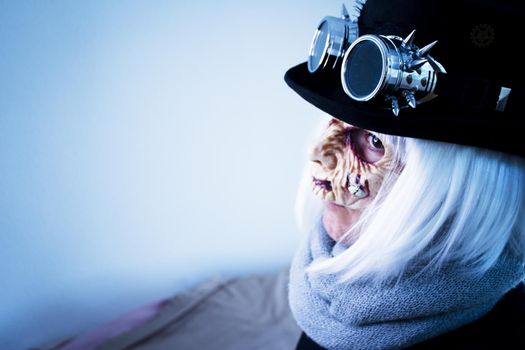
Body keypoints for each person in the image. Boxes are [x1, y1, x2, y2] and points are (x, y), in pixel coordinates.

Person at [284, 0, 525, 349]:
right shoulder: (324, 291)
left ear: (462, 189)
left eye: (374, 141)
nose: (319, 155)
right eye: (332, 123)